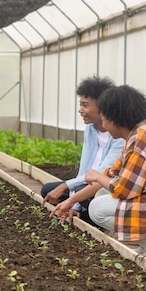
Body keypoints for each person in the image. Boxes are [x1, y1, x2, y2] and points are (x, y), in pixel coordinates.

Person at [51, 85, 146, 265]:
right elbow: (109, 177)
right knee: (101, 194)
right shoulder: (134, 137)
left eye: (104, 116)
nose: (102, 122)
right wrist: (69, 202)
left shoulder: (141, 140)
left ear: (115, 118)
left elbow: (124, 190)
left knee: (98, 208)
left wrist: (98, 177)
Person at [41, 76, 125, 224]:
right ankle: (82, 211)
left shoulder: (119, 136)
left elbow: (103, 173)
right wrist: (75, 204)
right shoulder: (90, 130)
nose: (80, 110)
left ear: (102, 106)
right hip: (89, 183)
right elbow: (84, 169)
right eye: (80, 105)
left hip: (106, 187)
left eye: (85, 105)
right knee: (48, 190)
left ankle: (91, 216)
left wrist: (67, 188)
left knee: (89, 199)